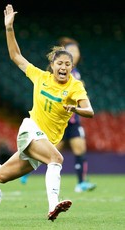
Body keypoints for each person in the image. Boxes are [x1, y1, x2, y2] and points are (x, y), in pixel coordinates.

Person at [0, 4, 94, 222]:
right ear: (52, 65)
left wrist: (76, 108)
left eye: (67, 64)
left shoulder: (75, 86)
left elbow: (89, 111)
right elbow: (15, 56)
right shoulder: (40, 77)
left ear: (71, 67)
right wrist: (9, 27)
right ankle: (53, 206)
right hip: (30, 130)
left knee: (1, 175)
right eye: (59, 63)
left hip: (45, 140)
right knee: (56, 159)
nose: (64, 67)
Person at [55, 37, 96, 193]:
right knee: (51, 154)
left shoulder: (76, 72)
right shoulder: (60, 71)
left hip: (73, 120)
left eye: (76, 51)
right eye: (71, 51)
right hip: (59, 120)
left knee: (80, 149)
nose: (75, 54)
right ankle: (28, 169)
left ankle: (81, 183)